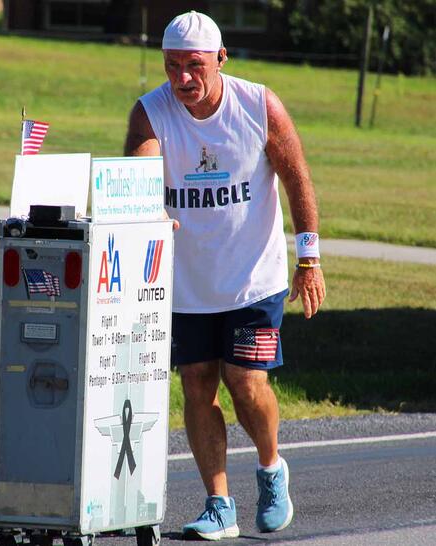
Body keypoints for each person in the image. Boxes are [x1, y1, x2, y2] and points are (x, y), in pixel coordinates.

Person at [124, 11, 326, 541]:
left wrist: (309, 259)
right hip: (187, 284)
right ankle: (219, 504)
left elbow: (297, 177)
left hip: (252, 278)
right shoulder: (151, 111)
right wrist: (149, 200)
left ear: (221, 58)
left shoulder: (258, 105)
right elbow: (140, 163)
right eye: (173, 67)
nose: (183, 79)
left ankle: (270, 468)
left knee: (245, 382)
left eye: (194, 66)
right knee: (196, 386)